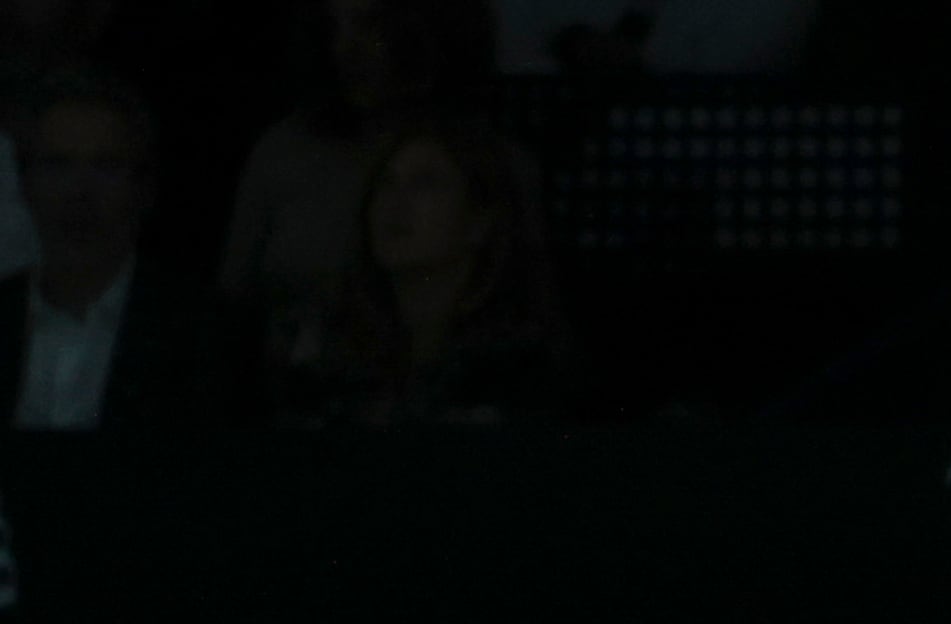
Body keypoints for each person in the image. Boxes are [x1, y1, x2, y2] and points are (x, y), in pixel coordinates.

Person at [221, 0, 495, 366]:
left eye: (371, 25)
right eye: (332, 28)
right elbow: (230, 299)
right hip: (287, 394)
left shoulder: (484, 159)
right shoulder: (285, 150)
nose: (344, 49)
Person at [277, 114, 561, 422]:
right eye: (387, 182)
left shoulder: (518, 361)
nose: (395, 204)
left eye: (425, 183)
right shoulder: (324, 344)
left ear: (479, 221)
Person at [4, 71, 234, 427]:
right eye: (57, 165)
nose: (79, 192)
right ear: (25, 183)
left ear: (143, 188)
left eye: (107, 167)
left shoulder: (199, 333)